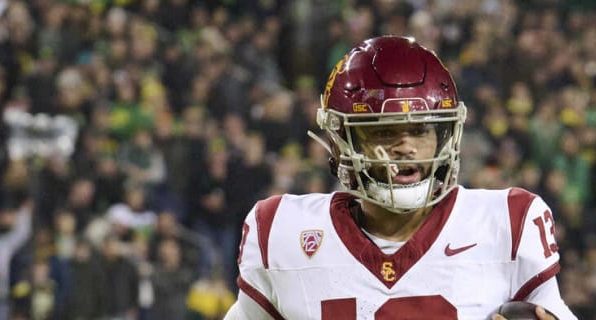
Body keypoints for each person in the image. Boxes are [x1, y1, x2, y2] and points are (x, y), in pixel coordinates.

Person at [225, 36, 577, 319]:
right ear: (341, 141)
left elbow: (552, 312)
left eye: (420, 130)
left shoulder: (509, 223)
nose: (405, 147)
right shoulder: (281, 231)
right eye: (384, 132)